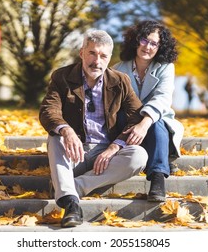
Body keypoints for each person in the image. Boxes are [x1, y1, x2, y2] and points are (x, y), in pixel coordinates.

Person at [39, 29, 148, 228]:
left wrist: (114, 147)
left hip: (105, 155)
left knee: (139, 156)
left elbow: (136, 116)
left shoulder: (120, 81)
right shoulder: (62, 77)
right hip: (75, 152)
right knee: (55, 138)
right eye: (92, 53)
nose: (96, 61)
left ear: (108, 59)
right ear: (82, 53)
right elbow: (48, 110)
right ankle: (71, 204)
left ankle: (68, 188)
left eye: (103, 56)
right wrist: (66, 130)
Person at [113, 20, 184, 203]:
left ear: (160, 47)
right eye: (145, 40)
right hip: (126, 120)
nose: (148, 47)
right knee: (139, 120)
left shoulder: (166, 67)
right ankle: (159, 162)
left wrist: (144, 123)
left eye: (154, 43)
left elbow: (162, 97)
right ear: (136, 41)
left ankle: (158, 178)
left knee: (155, 122)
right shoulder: (118, 69)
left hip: (155, 119)